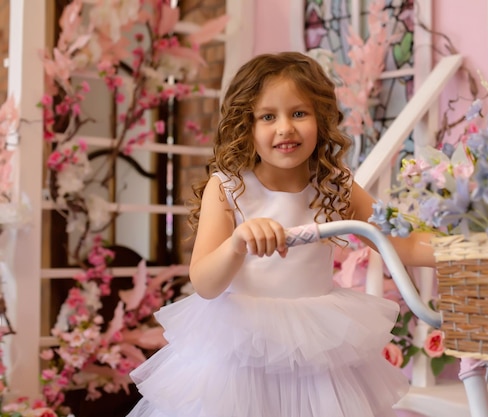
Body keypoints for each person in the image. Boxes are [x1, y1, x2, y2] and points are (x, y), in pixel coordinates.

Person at [127, 51, 434, 417]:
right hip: (240, 354)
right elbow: (205, 283)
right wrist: (237, 242)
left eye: (299, 113)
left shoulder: (336, 187)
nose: (285, 127)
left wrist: (475, 247)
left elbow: (406, 243)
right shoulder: (227, 188)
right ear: (247, 125)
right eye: (268, 117)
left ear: (320, 119)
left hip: (316, 349)